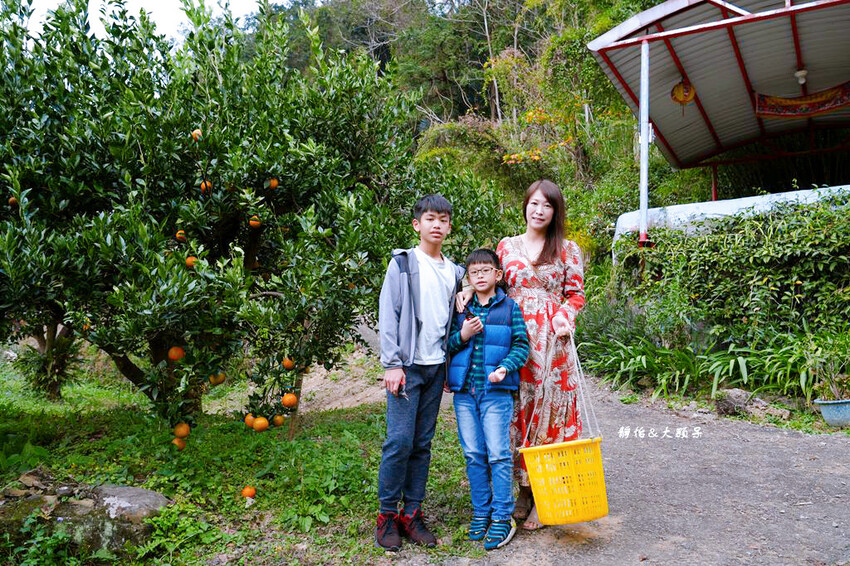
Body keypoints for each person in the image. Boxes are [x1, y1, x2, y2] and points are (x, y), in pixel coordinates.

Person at [457, 179, 586, 531]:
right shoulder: (507, 245)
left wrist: (564, 316)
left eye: (547, 205)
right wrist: (469, 288)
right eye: (534, 203)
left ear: (555, 211)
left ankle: (547, 498)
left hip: (551, 345)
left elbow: (575, 295)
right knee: (516, 413)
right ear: (526, 205)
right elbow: (492, 279)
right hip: (511, 339)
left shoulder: (568, 249)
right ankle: (525, 492)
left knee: (549, 414)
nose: (539, 210)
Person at [376, 194, 466, 551]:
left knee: (422, 444)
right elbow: (389, 314)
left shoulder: (455, 271)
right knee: (399, 442)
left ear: (449, 226)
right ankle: (386, 515)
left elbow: (455, 315)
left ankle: (411, 513)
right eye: (430, 218)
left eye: (443, 220)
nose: (437, 225)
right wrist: (392, 364)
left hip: (434, 368)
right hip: (408, 368)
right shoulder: (402, 264)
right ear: (417, 224)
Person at [446, 248, 529, 550]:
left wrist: (504, 368)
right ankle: (481, 512)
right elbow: (448, 347)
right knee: (473, 454)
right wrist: (463, 334)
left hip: (496, 393)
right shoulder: (461, 309)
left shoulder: (509, 308)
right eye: (474, 272)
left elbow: (521, 345)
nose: (480, 276)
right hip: (465, 395)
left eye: (485, 271)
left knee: (498, 454)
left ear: (497, 274)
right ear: (468, 277)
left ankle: (502, 516)